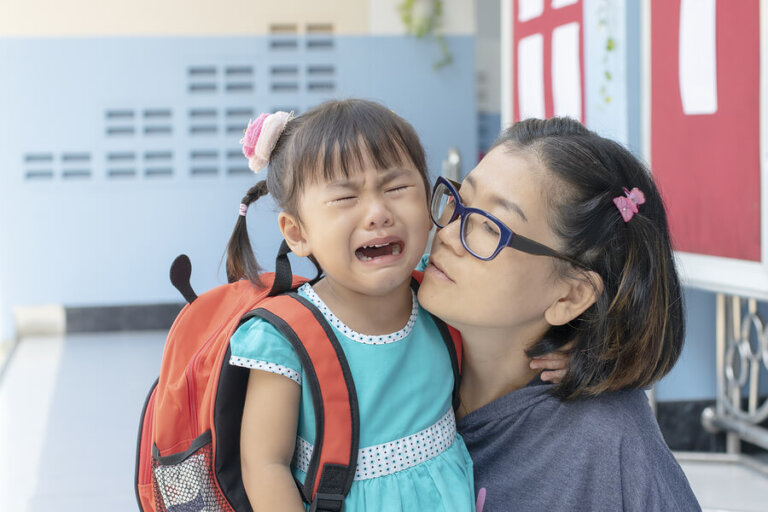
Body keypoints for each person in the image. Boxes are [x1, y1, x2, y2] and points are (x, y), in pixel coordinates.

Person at [417, 117, 701, 511]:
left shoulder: (606, 444)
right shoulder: (389, 349)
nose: (447, 234)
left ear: (571, 295)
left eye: (490, 227)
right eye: (459, 199)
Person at [226, 99, 477, 511]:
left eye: (397, 188)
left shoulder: (441, 292)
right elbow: (264, 465)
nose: (378, 213)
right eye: (345, 197)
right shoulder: (286, 338)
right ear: (297, 233)